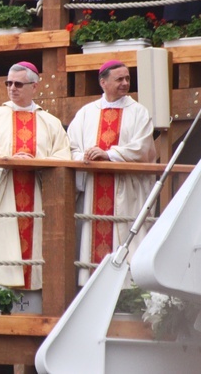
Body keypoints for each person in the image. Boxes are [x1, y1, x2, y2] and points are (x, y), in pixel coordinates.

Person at [0, 62, 70, 312]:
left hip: (38, 198)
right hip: (1, 197)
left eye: (18, 84)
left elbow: (64, 157)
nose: (12, 88)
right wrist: (8, 160)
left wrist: (39, 164)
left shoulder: (51, 122)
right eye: (8, 83)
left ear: (35, 86)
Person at [67, 60, 156, 286]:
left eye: (127, 78)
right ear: (103, 82)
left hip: (125, 190)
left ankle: (127, 289)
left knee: (125, 236)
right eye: (120, 79)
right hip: (93, 190)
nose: (125, 83)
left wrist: (108, 155)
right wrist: (84, 157)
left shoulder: (138, 112)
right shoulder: (87, 113)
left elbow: (143, 148)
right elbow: (71, 147)